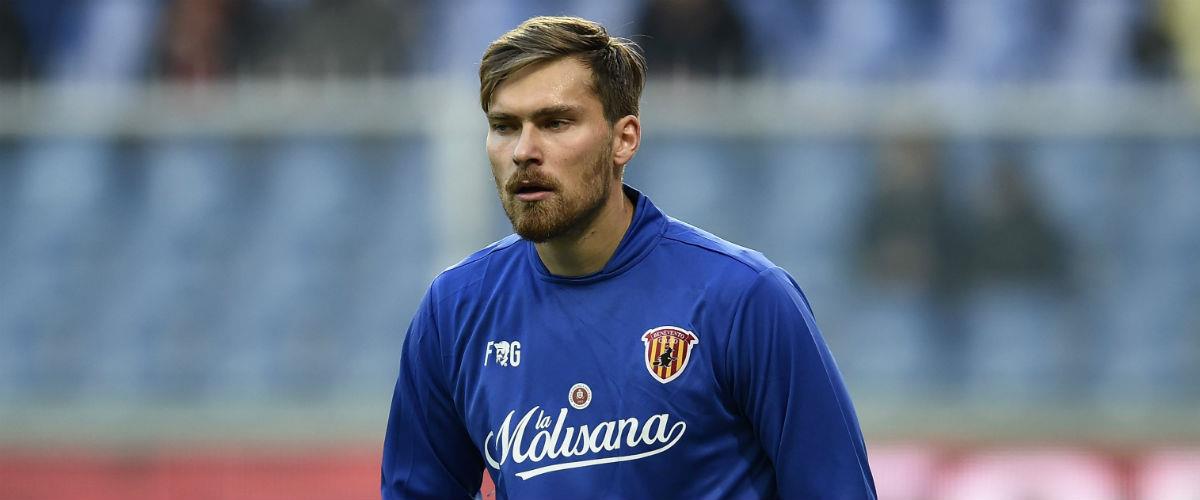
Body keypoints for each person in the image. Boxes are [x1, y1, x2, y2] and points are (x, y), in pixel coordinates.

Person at [382, 16, 876, 499]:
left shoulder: (745, 298)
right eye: (504, 126)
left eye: (556, 123)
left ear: (624, 139)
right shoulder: (455, 308)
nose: (523, 151)